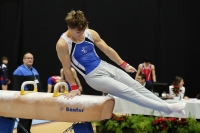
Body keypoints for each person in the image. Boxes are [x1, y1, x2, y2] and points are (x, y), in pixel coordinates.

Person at [56, 10, 186, 115]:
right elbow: (67, 68)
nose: (81, 34)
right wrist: (73, 88)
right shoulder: (63, 44)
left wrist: (124, 64)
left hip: (104, 66)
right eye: (78, 32)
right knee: (128, 92)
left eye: (83, 30)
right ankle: (168, 108)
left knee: (137, 86)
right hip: (93, 76)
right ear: (69, 27)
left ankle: (167, 107)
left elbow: (107, 49)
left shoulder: (90, 33)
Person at [13, 52, 43, 133]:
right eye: (28, 58)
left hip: (33, 99)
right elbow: (16, 88)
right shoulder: (19, 71)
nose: (30, 59)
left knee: (30, 119)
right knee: (24, 120)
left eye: (31, 58)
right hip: (24, 100)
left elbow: (39, 85)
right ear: (23, 60)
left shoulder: (34, 70)